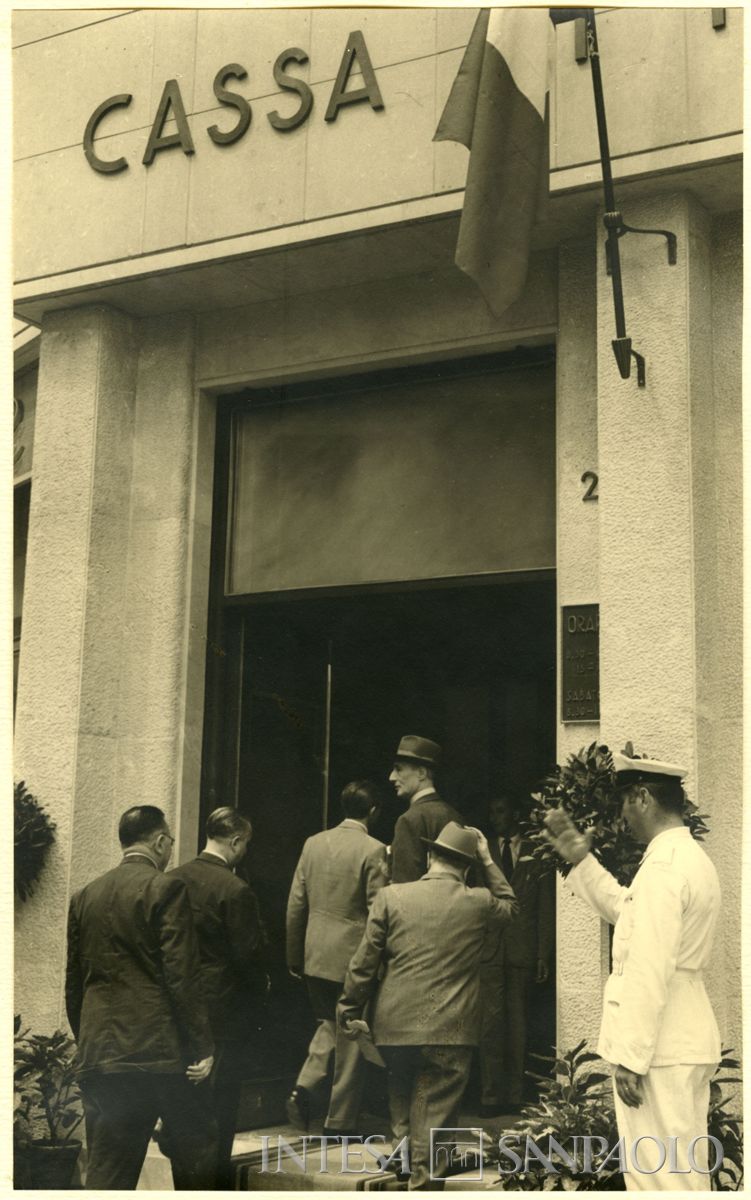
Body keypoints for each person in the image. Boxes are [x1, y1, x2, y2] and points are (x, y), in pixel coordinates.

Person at [544, 751, 722, 1191]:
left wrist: (631, 1056)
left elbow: (648, 964)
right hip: (680, 1038)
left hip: (660, 1047)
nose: (622, 816)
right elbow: (629, 912)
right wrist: (581, 861)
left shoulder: (664, 868)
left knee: (660, 1181)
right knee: (682, 1174)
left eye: (624, 802)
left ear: (642, 797)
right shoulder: (685, 858)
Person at [338, 821, 518, 1190]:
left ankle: (407, 1169)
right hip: (450, 1030)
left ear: (431, 856)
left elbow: (364, 960)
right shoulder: (479, 901)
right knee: (433, 1114)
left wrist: (349, 1006)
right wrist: (487, 858)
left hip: (394, 1026)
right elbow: (512, 908)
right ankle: (423, 1185)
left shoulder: (391, 896)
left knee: (403, 1101)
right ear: (466, 867)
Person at [65, 805, 216, 1190]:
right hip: (156, 1053)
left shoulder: (85, 895)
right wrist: (201, 1046)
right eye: (169, 843)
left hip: (99, 1051)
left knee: (107, 1170)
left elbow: (74, 984)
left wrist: (89, 1039)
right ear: (161, 841)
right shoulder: (165, 888)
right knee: (196, 1154)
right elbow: (181, 974)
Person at [166, 806, 268, 1189]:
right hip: (222, 1015)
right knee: (219, 1114)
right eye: (245, 845)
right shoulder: (235, 889)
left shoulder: (171, 879)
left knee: (183, 1113)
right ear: (236, 841)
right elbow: (248, 960)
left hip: (176, 1010)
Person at [286, 779, 389, 1136]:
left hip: (315, 954)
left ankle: (304, 1086)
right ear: (373, 812)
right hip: (352, 958)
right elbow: (378, 912)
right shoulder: (375, 849)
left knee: (328, 1024)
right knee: (349, 1033)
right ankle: (340, 1120)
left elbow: (296, 903)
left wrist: (295, 955)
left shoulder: (313, 843)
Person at [478, 793, 554, 1114]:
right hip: (490, 950)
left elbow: (545, 905)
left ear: (515, 813)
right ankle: (490, 1096)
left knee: (518, 1024)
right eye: (492, 812)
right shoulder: (482, 853)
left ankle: (514, 1094)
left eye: (501, 810)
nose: (496, 818)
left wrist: (543, 953)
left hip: (523, 949)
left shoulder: (536, 851)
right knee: (490, 1024)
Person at [388, 735, 461, 882]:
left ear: (421, 773)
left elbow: (404, 887)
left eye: (398, 769)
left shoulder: (409, 819)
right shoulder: (455, 815)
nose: (391, 777)